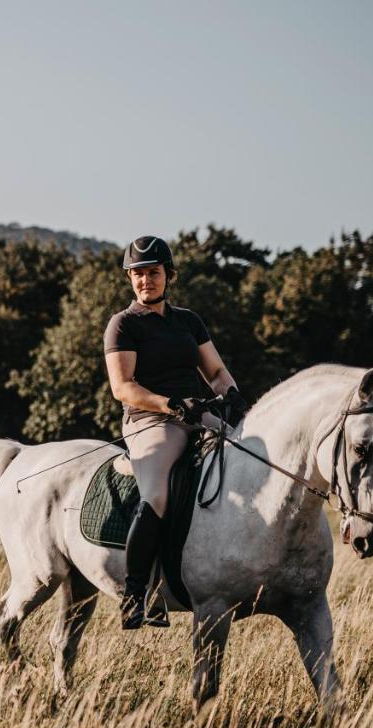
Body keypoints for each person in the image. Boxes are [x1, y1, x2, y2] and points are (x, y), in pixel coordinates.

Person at [103, 236, 248, 630]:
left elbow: (216, 372)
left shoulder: (188, 320)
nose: (145, 280)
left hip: (197, 415)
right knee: (158, 493)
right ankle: (136, 594)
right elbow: (123, 386)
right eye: (138, 274)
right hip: (150, 421)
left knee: (249, 457)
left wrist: (232, 398)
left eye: (153, 272)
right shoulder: (124, 324)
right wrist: (170, 404)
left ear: (169, 275)